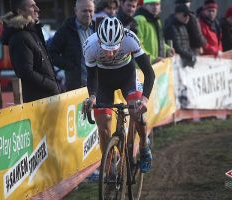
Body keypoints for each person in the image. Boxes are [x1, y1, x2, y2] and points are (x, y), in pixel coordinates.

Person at [83, 17, 155, 173]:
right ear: (99, 40)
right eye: (106, 48)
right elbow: (91, 76)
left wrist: (144, 99)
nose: (110, 54)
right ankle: (110, 163)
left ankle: (143, 144)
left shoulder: (130, 39)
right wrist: (92, 97)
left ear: (122, 40)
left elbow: (149, 73)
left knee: (138, 113)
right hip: (103, 82)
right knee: (103, 125)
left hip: (127, 77)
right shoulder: (90, 45)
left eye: (114, 48)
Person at [1, 0, 60, 103]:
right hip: (38, 102)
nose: (37, 9)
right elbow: (26, 72)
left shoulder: (32, 32)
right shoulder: (20, 37)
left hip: (46, 99)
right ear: (20, 12)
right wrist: (52, 85)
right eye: (32, 6)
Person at [48, 0, 95, 92]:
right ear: (75, 11)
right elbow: (51, 54)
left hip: (98, 86)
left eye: (90, 11)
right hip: (76, 87)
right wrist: (70, 66)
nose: (88, 14)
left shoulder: (99, 28)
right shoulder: (65, 31)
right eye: (84, 11)